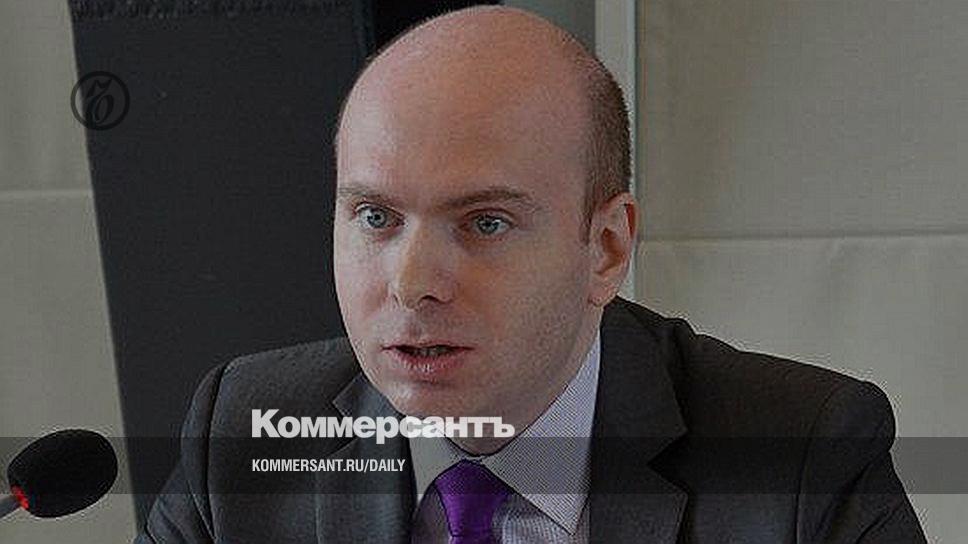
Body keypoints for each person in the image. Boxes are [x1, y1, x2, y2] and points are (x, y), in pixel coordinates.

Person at [136, 6, 926, 543]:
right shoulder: (245, 430)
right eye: (376, 217)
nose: (412, 283)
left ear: (606, 248)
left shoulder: (800, 460)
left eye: (485, 223)